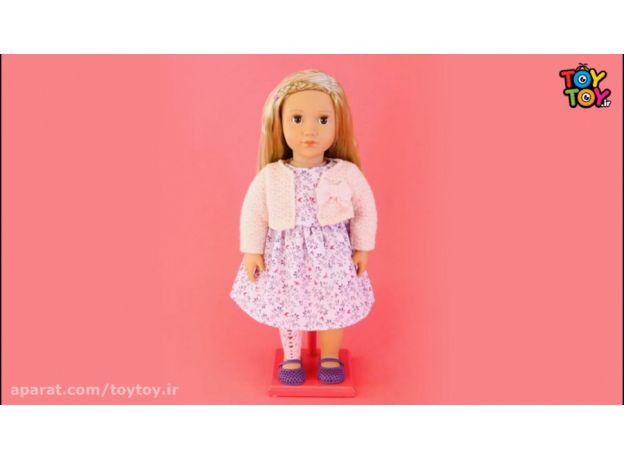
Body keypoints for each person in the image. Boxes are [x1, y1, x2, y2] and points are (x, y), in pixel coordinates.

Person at [230, 69, 377, 385]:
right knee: (288, 303)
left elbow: (365, 210)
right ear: (279, 124)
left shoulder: (346, 173)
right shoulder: (271, 176)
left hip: (332, 256)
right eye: (297, 119)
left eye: (323, 120)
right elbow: (254, 214)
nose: (310, 130)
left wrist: (362, 246)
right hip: (287, 257)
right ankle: (291, 356)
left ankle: (330, 356)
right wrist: (252, 251)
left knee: (333, 302)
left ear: (337, 124)